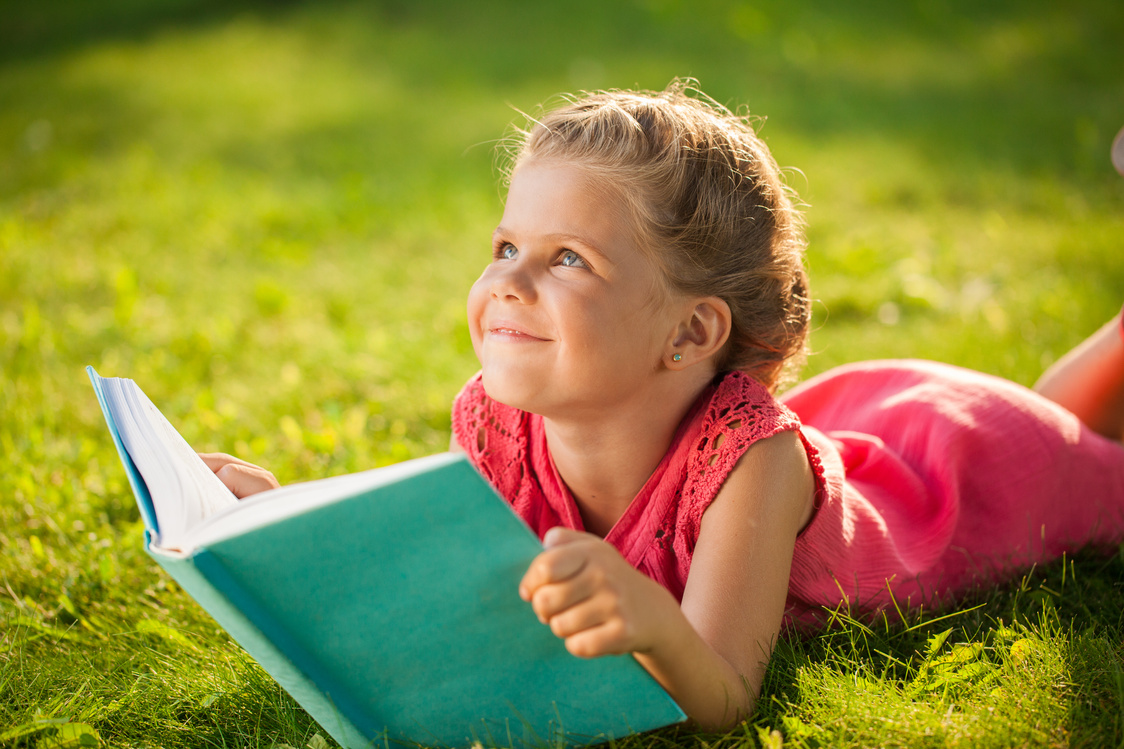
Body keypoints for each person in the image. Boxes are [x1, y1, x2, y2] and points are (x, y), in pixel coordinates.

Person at [203, 82, 1124, 730]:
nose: (508, 281)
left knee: (1087, 461)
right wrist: (282, 512)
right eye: (506, 243)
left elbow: (723, 694)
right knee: (1065, 409)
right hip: (881, 420)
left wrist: (652, 622)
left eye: (568, 259)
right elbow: (429, 562)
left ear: (689, 334)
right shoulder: (493, 418)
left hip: (955, 477)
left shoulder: (752, 464)